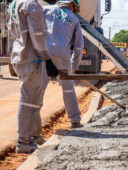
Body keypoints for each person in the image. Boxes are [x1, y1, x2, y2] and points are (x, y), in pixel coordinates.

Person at [8, 0, 58, 153]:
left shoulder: (15, 3)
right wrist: (47, 58)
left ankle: (35, 135)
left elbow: (11, 33)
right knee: (28, 101)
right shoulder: (33, 6)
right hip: (31, 58)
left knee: (33, 100)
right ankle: (24, 142)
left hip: (20, 56)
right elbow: (38, 36)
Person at [32, 0, 84, 142]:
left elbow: (34, 27)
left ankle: (33, 132)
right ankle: (75, 121)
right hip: (63, 56)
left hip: (44, 54)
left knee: (39, 90)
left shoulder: (46, 10)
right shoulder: (74, 19)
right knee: (68, 89)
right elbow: (79, 46)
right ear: (71, 5)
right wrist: (73, 68)